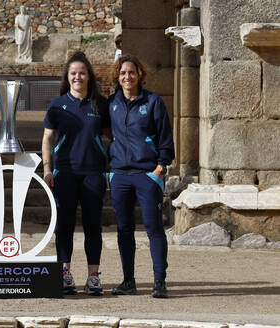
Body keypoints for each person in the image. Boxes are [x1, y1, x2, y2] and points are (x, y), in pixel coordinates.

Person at [41, 51, 109, 296]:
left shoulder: (100, 104)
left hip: (93, 174)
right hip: (65, 173)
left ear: (89, 76)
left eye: (82, 73)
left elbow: (113, 137)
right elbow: (47, 138)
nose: (77, 77)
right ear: (67, 77)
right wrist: (47, 169)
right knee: (64, 226)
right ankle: (64, 274)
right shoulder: (57, 105)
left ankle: (93, 277)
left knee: (93, 227)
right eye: (73, 73)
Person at [107, 54, 174, 298]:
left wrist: (160, 168)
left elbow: (165, 137)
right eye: (123, 73)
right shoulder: (111, 103)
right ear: (118, 76)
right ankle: (128, 281)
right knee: (124, 229)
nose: (127, 77)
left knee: (154, 228)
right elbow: (102, 132)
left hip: (147, 174)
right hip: (120, 175)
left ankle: (159, 281)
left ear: (139, 75)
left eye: (131, 73)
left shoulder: (153, 102)